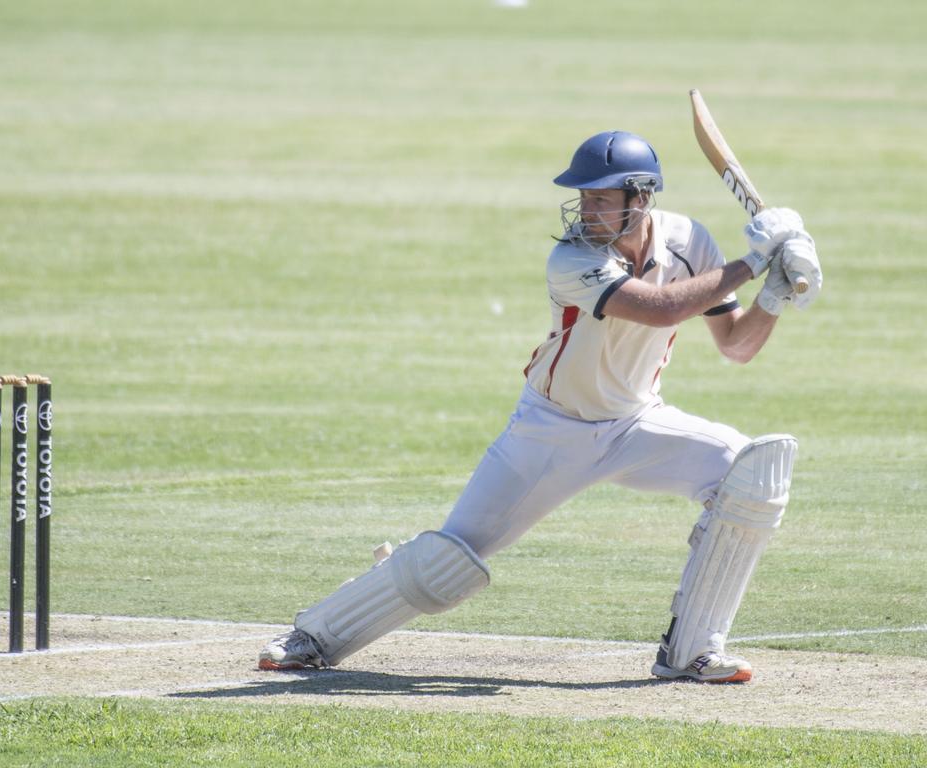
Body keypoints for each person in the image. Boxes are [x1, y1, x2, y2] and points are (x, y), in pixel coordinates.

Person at [258, 131, 822, 683]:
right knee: (450, 558)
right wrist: (753, 260)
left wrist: (772, 293)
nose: (586, 209)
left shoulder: (689, 241)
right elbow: (660, 309)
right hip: (550, 431)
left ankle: (693, 650)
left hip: (637, 423)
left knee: (751, 474)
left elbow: (737, 345)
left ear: (640, 198)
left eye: (600, 198)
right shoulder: (571, 259)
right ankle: (315, 634)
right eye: (583, 196)